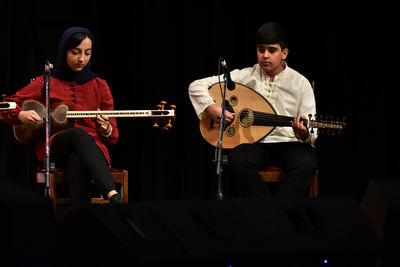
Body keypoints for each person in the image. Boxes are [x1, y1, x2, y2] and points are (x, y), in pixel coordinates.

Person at [188, 22, 317, 199]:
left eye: (272, 50)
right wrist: (213, 108)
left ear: (284, 53)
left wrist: (303, 133)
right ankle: (266, 210)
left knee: (307, 162)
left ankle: (279, 212)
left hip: (290, 144)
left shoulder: (300, 83)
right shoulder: (246, 76)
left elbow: (312, 131)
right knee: (237, 158)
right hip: (257, 144)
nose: (265, 56)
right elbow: (196, 86)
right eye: (260, 49)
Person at [1, 27, 124, 207]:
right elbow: (6, 106)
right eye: (75, 52)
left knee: (77, 160)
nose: (82, 59)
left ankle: (80, 219)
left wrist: (107, 129)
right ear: (64, 51)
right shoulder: (47, 82)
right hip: (57, 146)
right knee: (78, 134)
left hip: (93, 149)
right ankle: (113, 196)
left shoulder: (100, 86)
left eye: (87, 53)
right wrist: (20, 114)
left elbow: (113, 137)